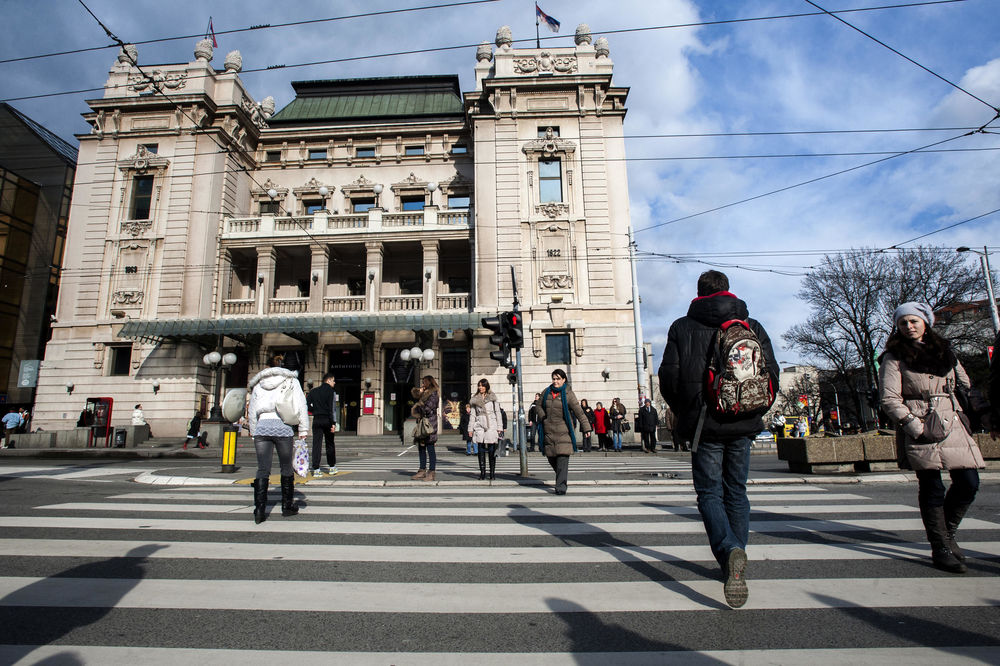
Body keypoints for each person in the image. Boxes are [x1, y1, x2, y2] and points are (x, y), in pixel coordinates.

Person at [658, 270, 778, 608]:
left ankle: (729, 552)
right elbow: (772, 372)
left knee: (709, 492)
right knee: (736, 491)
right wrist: (755, 408)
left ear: (698, 292)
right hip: (742, 420)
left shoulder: (682, 326)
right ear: (727, 291)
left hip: (703, 424)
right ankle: (735, 556)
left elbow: (669, 376)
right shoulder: (751, 325)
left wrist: (684, 409)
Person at [878, 302, 985, 574]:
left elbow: (965, 384)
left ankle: (947, 533)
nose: (909, 327)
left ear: (926, 322)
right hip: (920, 422)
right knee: (932, 487)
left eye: (913, 321)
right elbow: (889, 398)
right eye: (903, 323)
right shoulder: (894, 356)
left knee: (969, 481)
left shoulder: (945, 352)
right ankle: (941, 546)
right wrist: (914, 425)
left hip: (952, 420)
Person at [247, 354, 309, 524]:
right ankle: (287, 506)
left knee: (262, 469)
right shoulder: (291, 380)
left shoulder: (260, 383)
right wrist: (303, 429)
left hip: (262, 426)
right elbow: (300, 404)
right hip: (283, 425)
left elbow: (252, 408)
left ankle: (259, 510)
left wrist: (253, 430)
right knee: (286, 467)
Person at [535, 368, 591, 495]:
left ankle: (560, 487)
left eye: (558, 379)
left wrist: (586, 427)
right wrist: (543, 416)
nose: (555, 381)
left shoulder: (568, 393)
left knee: (562, 460)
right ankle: (562, 476)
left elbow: (579, 411)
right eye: (554, 379)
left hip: (563, 432)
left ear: (564, 379)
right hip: (548, 431)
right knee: (551, 458)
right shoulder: (547, 391)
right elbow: (538, 405)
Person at [469, 378, 502, 480]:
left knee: (492, 449)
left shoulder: (492, 397)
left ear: (486, 386)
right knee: (480, 448)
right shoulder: (475, 399)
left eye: (482, 385)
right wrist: (470, 429)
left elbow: (498, 412)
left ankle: (492, 473)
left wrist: (499, 427)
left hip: (491, 424)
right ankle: (482, 472)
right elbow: (472, 415)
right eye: (479, 385)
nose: (480, 387)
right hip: (479, 424)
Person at [307, 373, 338, 477]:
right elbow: (332, 409)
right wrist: (333, 423)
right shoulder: (331, 392)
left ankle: (316, 468)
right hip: (327, 420)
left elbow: (306, 404)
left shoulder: (313, 391)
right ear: (328, 380)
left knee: (317, 444)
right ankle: (332, 467)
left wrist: (314, 410)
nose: (334, 383)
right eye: (333, 380)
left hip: (317, 420)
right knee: (329, 443)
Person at [410, 375, 440, 481]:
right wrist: (420, 394)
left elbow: (427, 408)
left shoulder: (433, 394)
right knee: (421, 447)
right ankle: (422, 470)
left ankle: (431, 472)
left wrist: (419, 405)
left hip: (429, 424)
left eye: (424, 382)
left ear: (428, 383)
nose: (422, 385)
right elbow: (417, 398)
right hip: (422, 424)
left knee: (430, 448)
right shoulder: (425, 394)